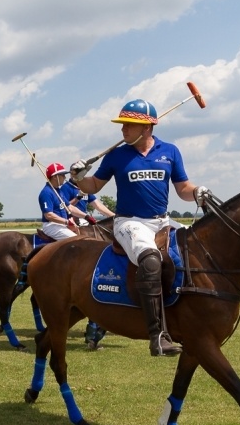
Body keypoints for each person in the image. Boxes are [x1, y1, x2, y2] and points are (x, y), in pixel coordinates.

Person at [70, 99, 209, 357]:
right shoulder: (117, 155)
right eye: (122, 124)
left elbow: (183, 189)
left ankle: (193, 317)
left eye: (129, 124)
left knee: (197, 249)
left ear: (146, 128)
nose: (123, 129)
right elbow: (94, 186)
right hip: (130, 222)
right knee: (151, 261)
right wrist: (77, 178)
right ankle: (158, 336)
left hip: (162, 221)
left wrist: (198, 191)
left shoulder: (170, 151)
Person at [59, 175, 116, 350]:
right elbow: (66, 207)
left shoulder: (85, 188)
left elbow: (97, 205)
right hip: (72, 221)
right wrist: (78, 198)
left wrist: (114, 216)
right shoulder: (65, 188)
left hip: (86, 220)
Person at [39, 163, 80, 240]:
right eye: (62, 175)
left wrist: (86, 216)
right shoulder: (46, 193)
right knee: (77, 240)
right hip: (51, 226)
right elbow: (49, 215)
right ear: (55, 177)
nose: (65, 177)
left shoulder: (58, 191)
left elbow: (70, 207)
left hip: (61, 225)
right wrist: (67, 222)